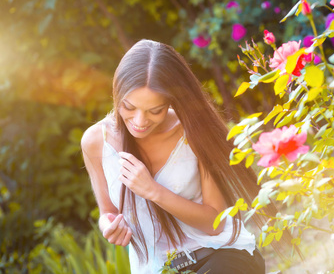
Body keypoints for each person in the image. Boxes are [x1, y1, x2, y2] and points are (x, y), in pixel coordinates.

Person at [81, 39, 267, 274]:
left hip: (218, 255)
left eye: (155, 111)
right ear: (116, 94)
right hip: (158, 269)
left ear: (169, 101)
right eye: (129, 108)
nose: (139, 122)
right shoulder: (96, 142)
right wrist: (108, 225)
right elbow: (108, 212)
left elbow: (214, 224)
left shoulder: (191, 130)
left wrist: (153, 191)